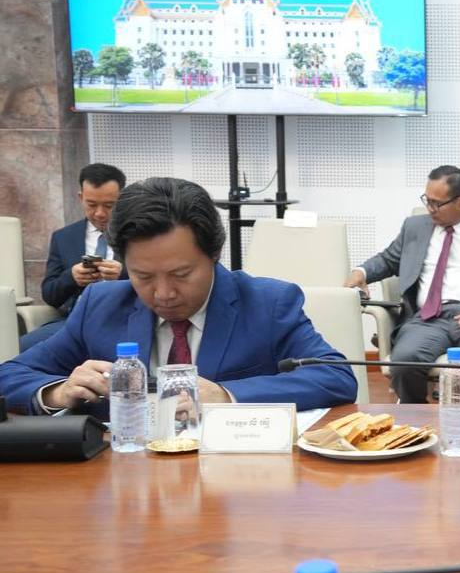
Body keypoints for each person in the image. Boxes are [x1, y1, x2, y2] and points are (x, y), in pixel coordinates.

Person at [0, 177, 357, 416]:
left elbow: (335, 376)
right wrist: (57, 392)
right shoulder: (100, 305)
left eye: (181, 274)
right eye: (143, 276)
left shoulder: (267, 303)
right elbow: (11, 374)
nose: (164, 293)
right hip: (127, 482)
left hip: (234, 484)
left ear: (214, 254)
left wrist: (226, 395)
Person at [346, 165, 460, 403]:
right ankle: (415, 417)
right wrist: (361, 272)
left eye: (436, 203)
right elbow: (388, 259)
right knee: (404, 360)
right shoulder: (414, 227)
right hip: (428, 318)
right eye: (427, 201)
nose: (429, 209)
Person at [19, 163, 127, 351]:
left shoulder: (137, 234)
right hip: (75, 322)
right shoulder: (63, 238)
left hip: (124, 318)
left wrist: (122, 274)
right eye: (91, 205)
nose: (100, 213)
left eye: (109, 205)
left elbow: (155, 282)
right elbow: (50, 294)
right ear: (81, 197)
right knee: (19, 348)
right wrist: (71, 277)